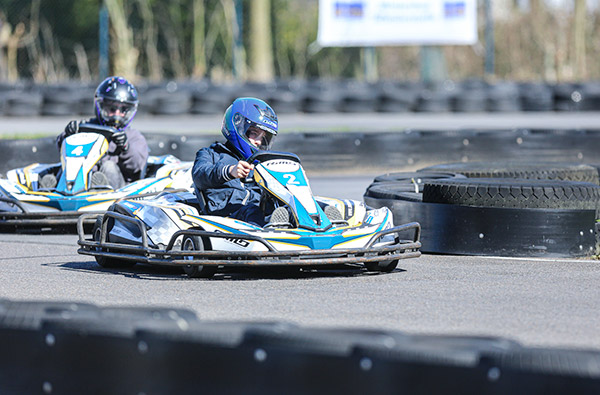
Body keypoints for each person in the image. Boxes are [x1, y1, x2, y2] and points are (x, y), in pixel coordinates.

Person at [192, 97, 284, 226]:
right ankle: (274, 228)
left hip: (259, 210)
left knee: (293, 206)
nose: (258, 142)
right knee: (253, 212)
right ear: (238, 125)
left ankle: (315, 222)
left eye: (264, 138)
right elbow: (199, 176)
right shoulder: (210, 154)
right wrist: (230, 171)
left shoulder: (260, 163)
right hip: (226, 216)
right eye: (253, 133)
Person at [54, 76, 149, 189]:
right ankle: (52, 186)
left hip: (118, 190)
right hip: (82, 180)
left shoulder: (134, 137)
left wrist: (125, 147)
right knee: (65, 168)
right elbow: (61, 148)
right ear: (101, 106)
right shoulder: (85, 128)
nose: (117, 114)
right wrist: (68, 135)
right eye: (112, 109)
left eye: (123, 110)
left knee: (108, 167)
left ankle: (100, 187)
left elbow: (136, 166)